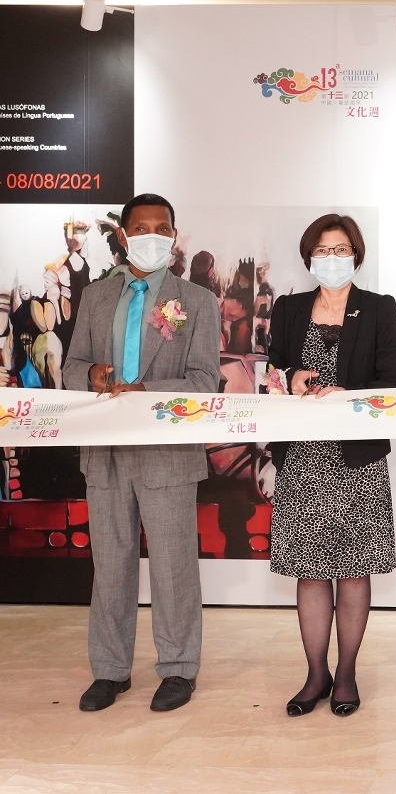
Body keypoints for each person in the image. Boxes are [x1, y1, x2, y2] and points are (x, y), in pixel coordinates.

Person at [64, 193, 220, 712]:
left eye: (162, 228)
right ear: (123, 235)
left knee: (174, 567)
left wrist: (145, 393)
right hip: (105, 452)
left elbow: (204, 382)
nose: (152, 236)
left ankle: (178, 668)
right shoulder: (96, 296)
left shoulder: (196, 300)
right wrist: (90, 374)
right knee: (110, 567)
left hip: (166, 452)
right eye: (141, 228)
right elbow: (71, 366)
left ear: (173, 236)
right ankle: (110, 671)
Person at [266, 214, 396, 718]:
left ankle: (345, 674)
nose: (331, 258)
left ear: (356, 255)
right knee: (309, 572)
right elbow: (271, 368)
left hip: (356, 459)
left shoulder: (379, 308)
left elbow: (393, 380)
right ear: (309, 257)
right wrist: (289, 376)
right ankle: (315, 674)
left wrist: (350, 395)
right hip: (303, 457)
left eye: (340, 249)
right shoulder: (289, 308)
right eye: (322, 251)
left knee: (353, 570)